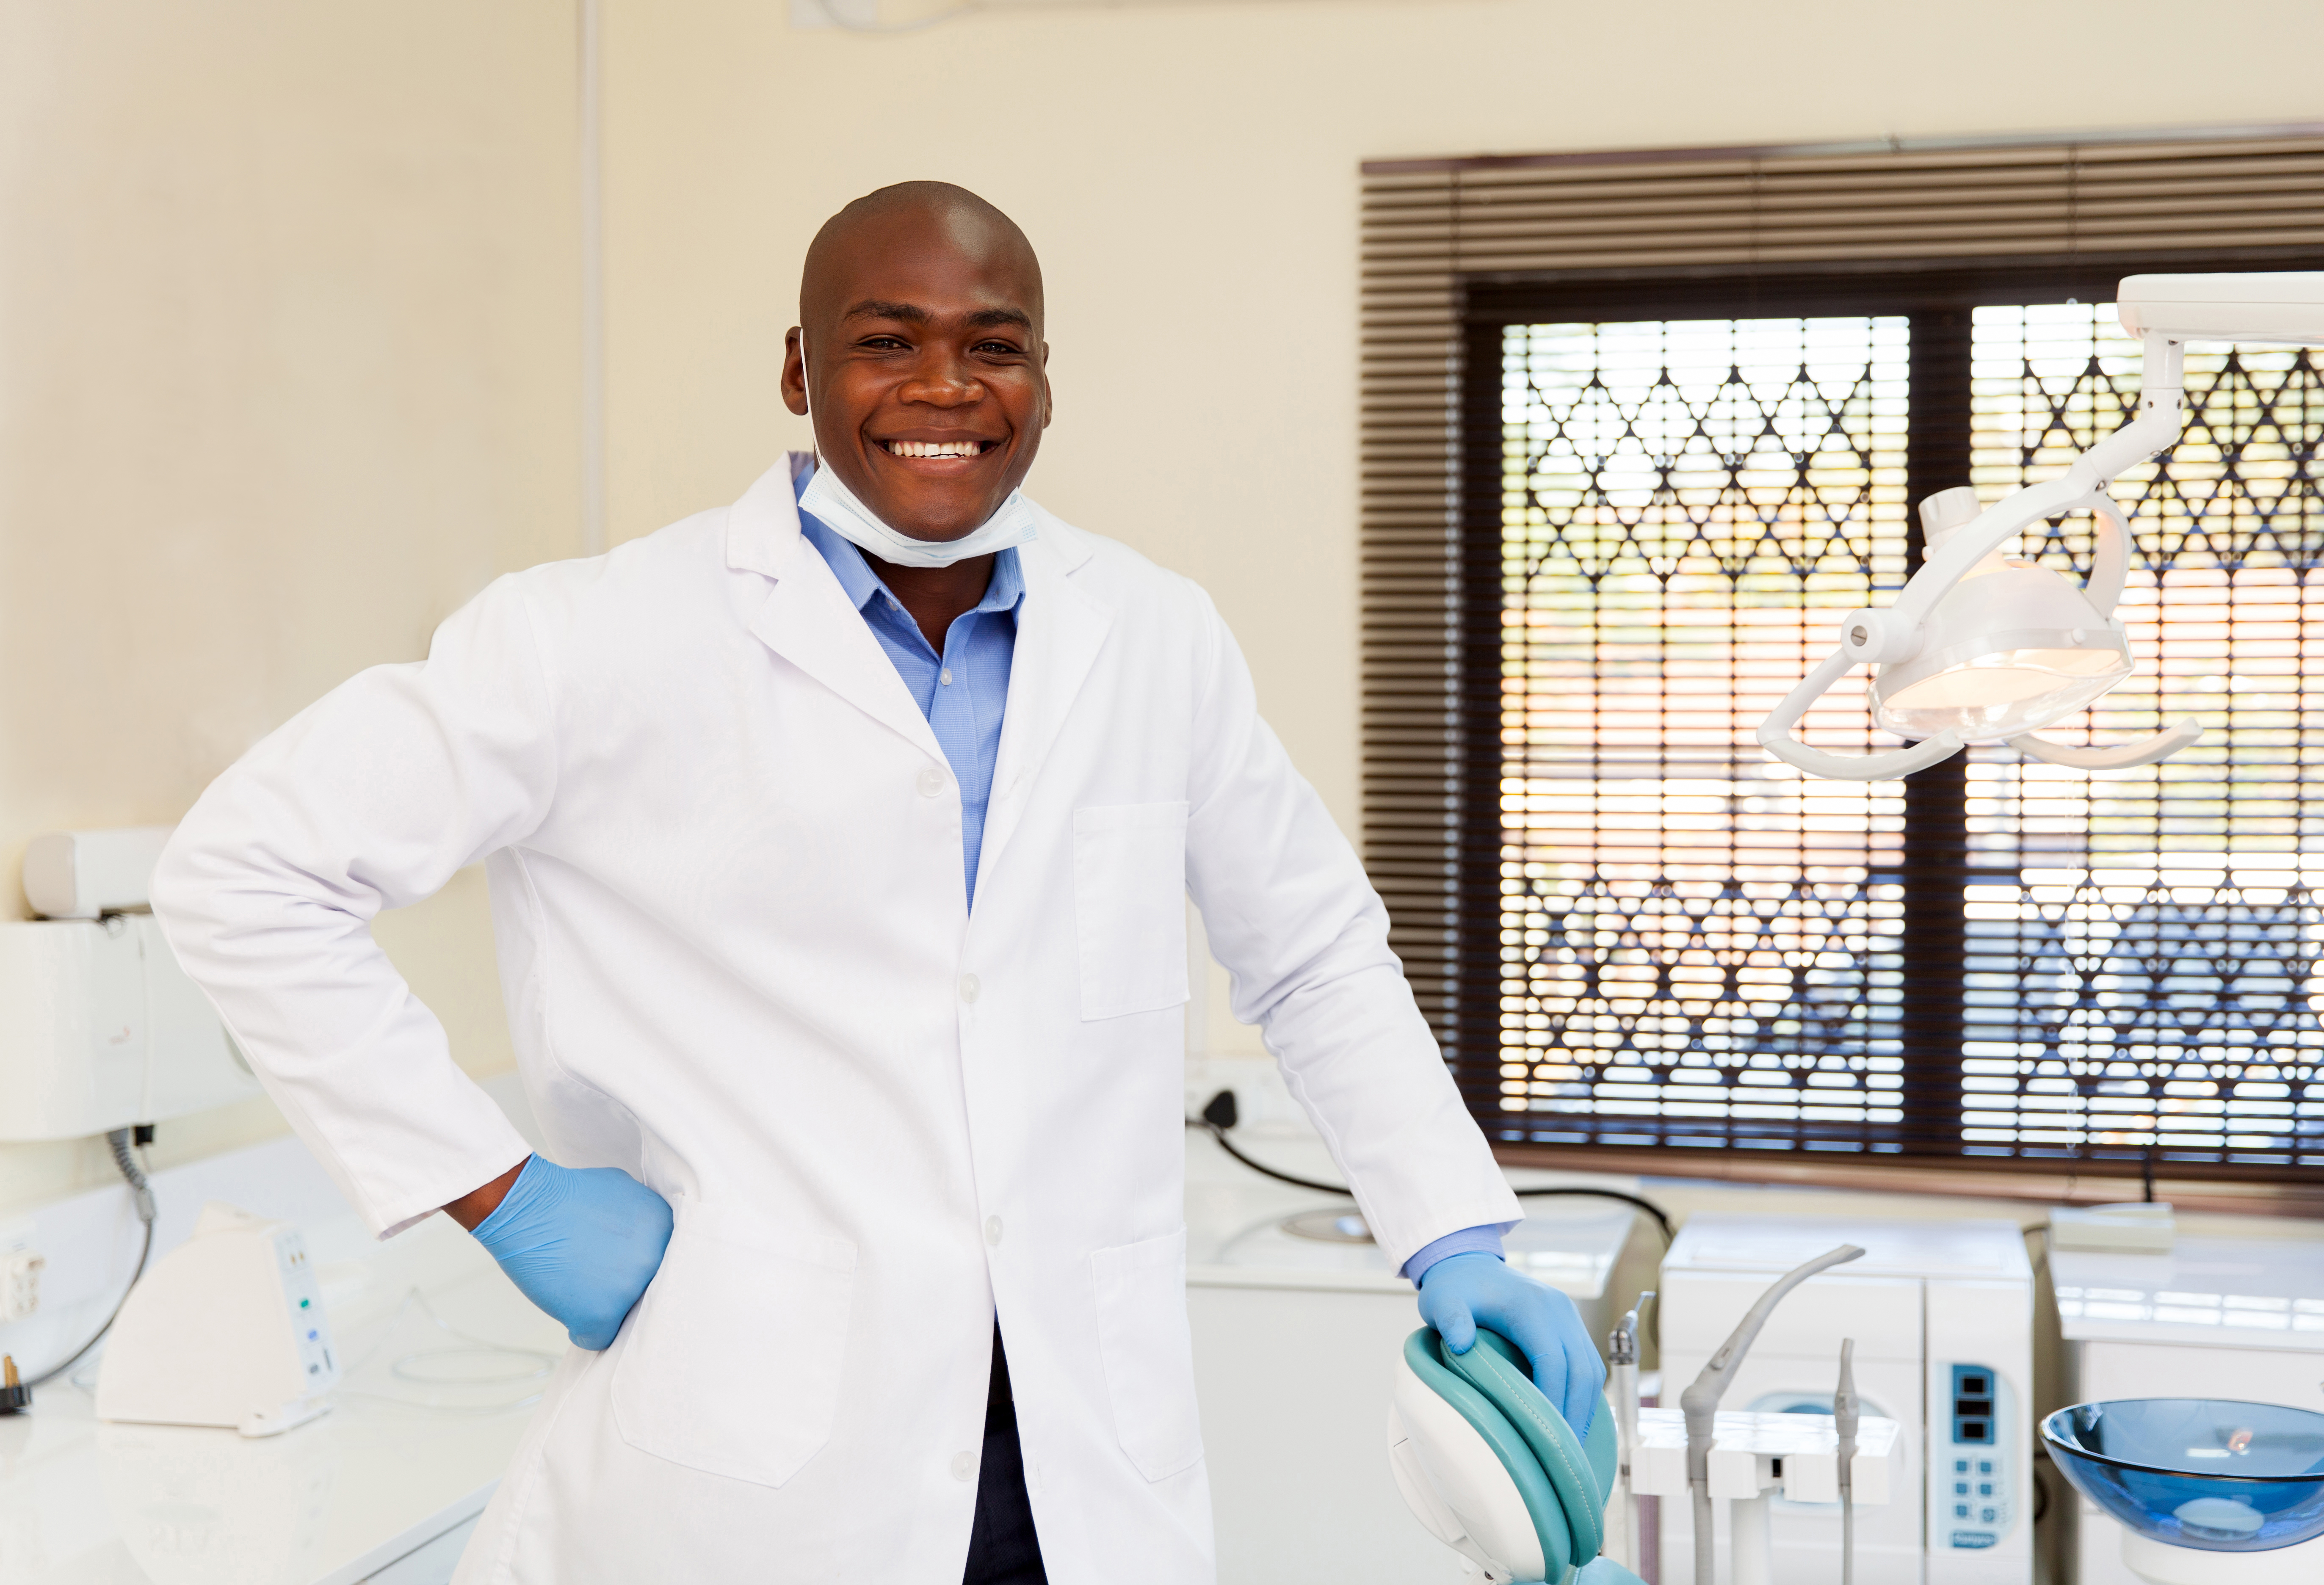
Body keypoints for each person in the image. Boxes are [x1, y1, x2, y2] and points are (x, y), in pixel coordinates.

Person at [153, 181, 1604, 1585]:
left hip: (1078, 1466)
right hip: (756, 1473)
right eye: (886, 339)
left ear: (1044, 377)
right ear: (799, 370)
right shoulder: (594, 636)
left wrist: (1451, 1233)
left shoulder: (1155, 636)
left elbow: (1313, 955)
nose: (945, 387)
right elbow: (242, 871)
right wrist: (498, 1191)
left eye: (993, 345)